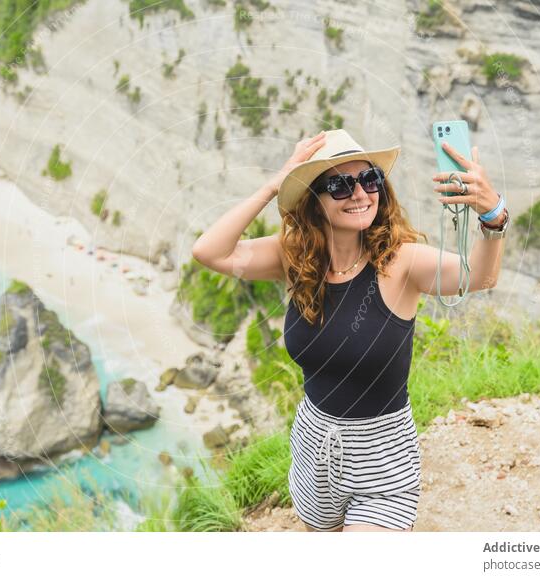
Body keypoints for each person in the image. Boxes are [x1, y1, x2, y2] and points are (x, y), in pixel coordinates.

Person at [191, 129, 509, 532]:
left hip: (383, 455)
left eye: (369, 179)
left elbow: (478, 277)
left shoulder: (402, 262)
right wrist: (276, 184)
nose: (360, 193)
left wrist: (493, 215)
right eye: (339, 185)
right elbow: (209, 251)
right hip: (313, 447)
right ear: (313, 200)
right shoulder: (296, 258)